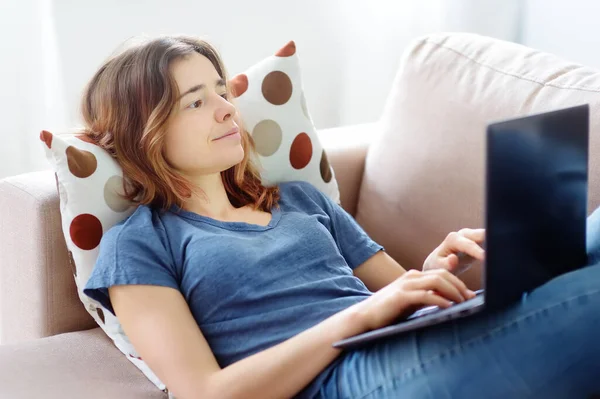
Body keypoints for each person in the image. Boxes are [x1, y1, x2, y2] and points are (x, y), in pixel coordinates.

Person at [82, 35, 600, 399]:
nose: (225, 109)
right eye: (196, 102)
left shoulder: (301, 201)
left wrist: (435, 270)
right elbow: (208, 392)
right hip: (344, 381)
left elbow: (403, 297)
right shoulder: (142, 244)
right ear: (142, 132)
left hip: (416, 340)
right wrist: (357, 317)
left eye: (222, 91)